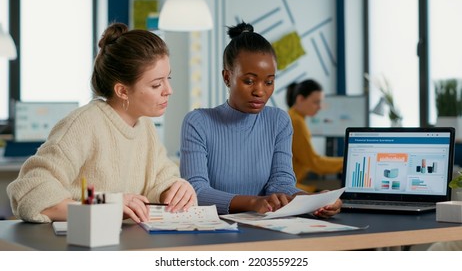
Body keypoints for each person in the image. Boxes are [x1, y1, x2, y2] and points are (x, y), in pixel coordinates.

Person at [7, 23, 196, 224]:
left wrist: (175, 189)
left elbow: (161, 177)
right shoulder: (84, 124)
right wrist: (104, 206)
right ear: (122, 91)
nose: (169, 90)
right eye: (157, 84)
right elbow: (29, 191)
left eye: (169, 78)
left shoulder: (144, 126)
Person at [180, 21, 342, 217]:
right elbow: (196, 191)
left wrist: (314, 200)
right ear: (226, 77)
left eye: (269, 82)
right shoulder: (198, 122)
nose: (260, 91)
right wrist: (254, 202)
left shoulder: (279, 121)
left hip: (266, 227)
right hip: (215, 231)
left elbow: (281, 184)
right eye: (249, 81)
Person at [286, 80, 343, 192]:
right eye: (316, 102)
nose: (319, 107)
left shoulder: (292, 116)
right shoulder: (296, 122)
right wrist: (345, 162)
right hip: (287, 187)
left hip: (292, 183)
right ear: (300, 99)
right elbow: (314, 162)